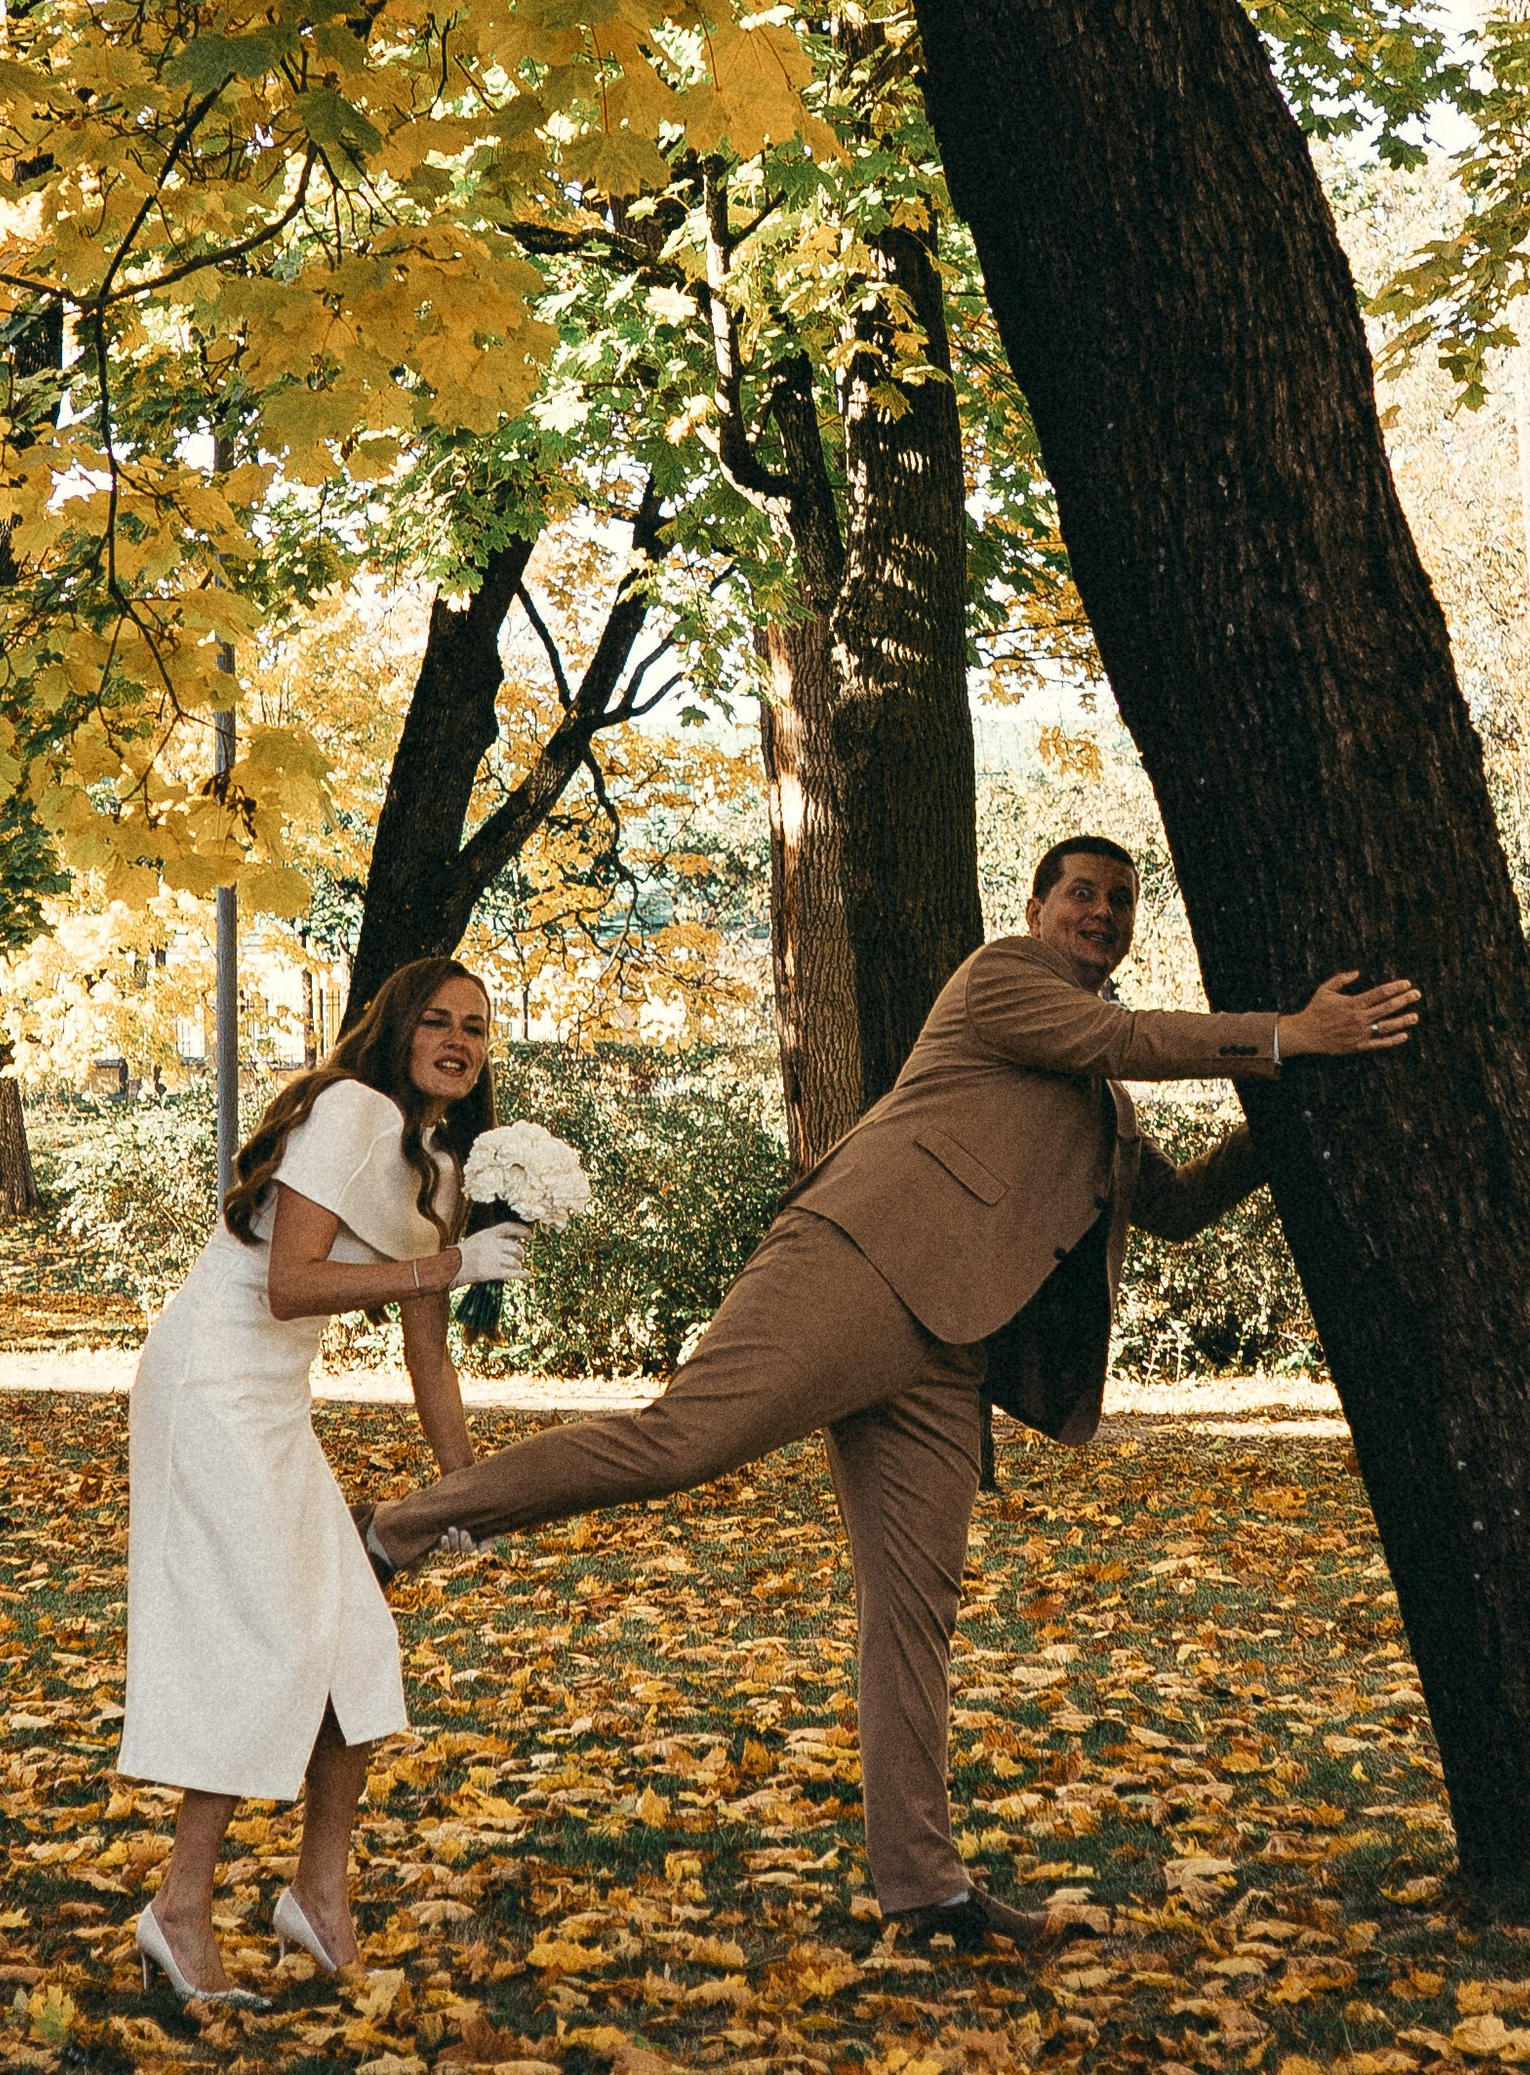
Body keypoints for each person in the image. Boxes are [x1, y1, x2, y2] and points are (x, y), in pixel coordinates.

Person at [370, 840, 1419, 1956]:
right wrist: (1284, 1035)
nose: (1099, 912)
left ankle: (927, 1894)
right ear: (1037, 906)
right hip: (854, 1266)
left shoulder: (1104, 1105)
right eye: (1080, 892)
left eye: (1119, 900)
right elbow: (1123, 1034)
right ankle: (395, 1528)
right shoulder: (1002, 981)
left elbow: (1171, 1207)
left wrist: (1297, 1112)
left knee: (913, 1612)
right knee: (682, 1441)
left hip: (946, 1357)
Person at [120, 954, 532, 2002]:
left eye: (476, 1028)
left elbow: (427, 1355)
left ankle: (317, 1896)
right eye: (435, 1021)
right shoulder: (349, 1110)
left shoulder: (439, 1169)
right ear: (396, 1033)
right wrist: (444, 1265)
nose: (457, 1041)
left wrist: (463, 1492)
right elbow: (287, 1284)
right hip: (211, 1383)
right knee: (275, 1637)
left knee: (357, 1644)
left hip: (273, 1404)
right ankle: (178, 1903)